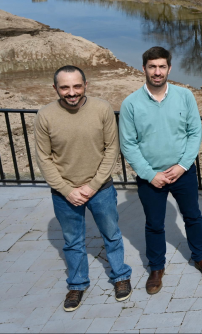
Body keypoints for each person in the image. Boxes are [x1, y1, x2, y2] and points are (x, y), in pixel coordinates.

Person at [120, 46, 202, 295]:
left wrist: (183, 165)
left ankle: (200, 257)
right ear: (144, 68)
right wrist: (150, 174)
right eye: (152, 67)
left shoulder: (184, 96)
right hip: (150, 176)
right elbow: (128, 144)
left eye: (162, 66)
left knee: (192, 216)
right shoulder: (131, 104)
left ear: (169, 68)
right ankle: (156, 268)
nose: (157, 72)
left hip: (182, 172)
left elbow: (194, 132)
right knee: (154, 224)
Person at [35, 66, 133, 312]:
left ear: (85, 85)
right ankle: (77, 284)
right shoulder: (45, 116)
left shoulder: (101, 109)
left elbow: (111, 149)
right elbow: (44, 158)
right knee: (72, 241)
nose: (71, 92)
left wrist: (93, 185)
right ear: (55, 88)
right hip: (64, 193)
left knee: (111, 234)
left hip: (100, 189)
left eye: (77, 86)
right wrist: (67, 190)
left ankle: (120, 276)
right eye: (65, 87)